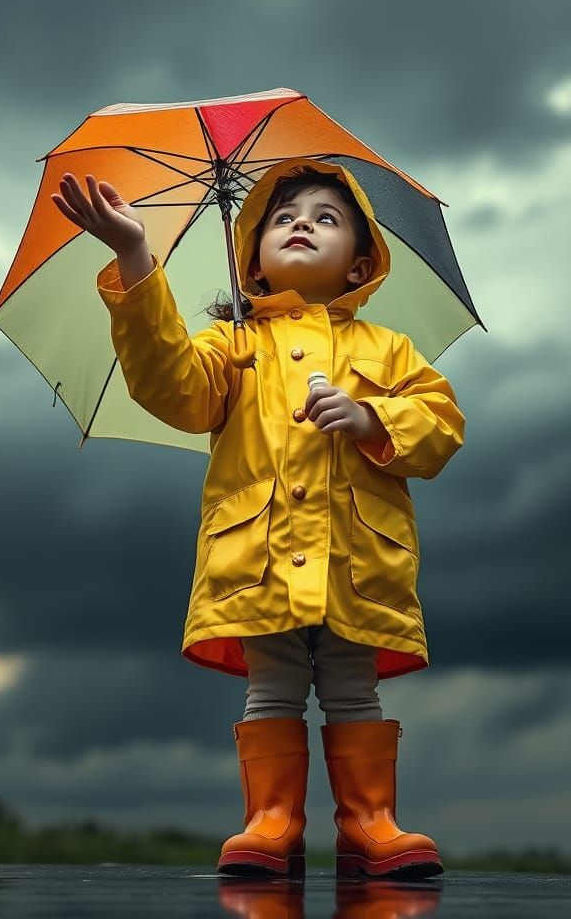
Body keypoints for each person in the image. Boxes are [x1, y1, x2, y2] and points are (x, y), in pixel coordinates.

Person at [52, 158, 465, 880]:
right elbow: (169, 384)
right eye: (283, 217)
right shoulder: (230, 346)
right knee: (270, 685)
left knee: (351, 689)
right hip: (262, 558)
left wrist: (372, 417)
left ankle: (371, 823)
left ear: (360, 264)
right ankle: (271, 822)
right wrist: (133, 255)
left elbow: (440, 426)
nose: (301, 222)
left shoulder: (389, 350)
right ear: (254, 263)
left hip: (356, 565)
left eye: (325, 218)